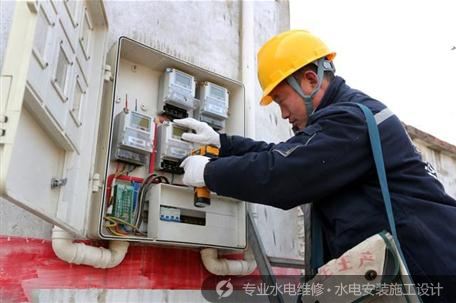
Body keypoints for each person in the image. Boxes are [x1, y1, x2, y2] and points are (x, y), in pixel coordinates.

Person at [175, 30, 456, 301]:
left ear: (310, 80)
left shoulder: (351, 120)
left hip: (428, 278)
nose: (283, 114)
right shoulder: (348, 119)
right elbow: (288, 156)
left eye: (282, 100)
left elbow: (284, 174)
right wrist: (223, 144)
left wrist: (209, 173)